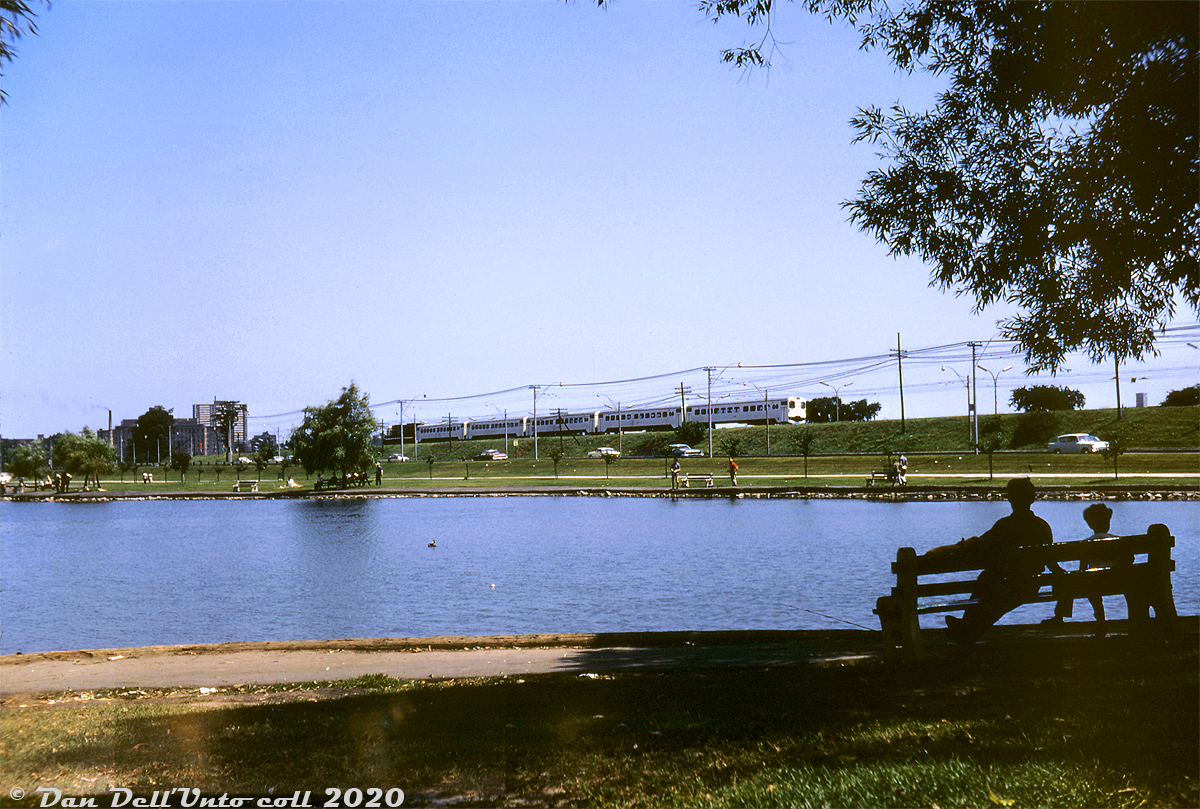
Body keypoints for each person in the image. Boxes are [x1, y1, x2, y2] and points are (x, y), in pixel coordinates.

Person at [939, 477, 1057, 645]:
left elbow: (980, 546)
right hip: (1031, 584)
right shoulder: (1042, 526)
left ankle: (966, 629)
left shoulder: (1004, 526)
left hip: (1005, 583)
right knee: (991, 589)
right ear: (1032, 498)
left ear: (1009, 498)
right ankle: (966, 629)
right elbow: (1049, 559)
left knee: (987, 583)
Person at [1044, 503, 1126, 626]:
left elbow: (1083, 568)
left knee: (1071, 580)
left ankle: (1064, 616)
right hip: (1118, 580)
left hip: (1095, 583)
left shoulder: (1087, 543)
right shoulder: (1119, 540)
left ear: (1090, 524)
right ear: (1108, 521)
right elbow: (1129, 559)